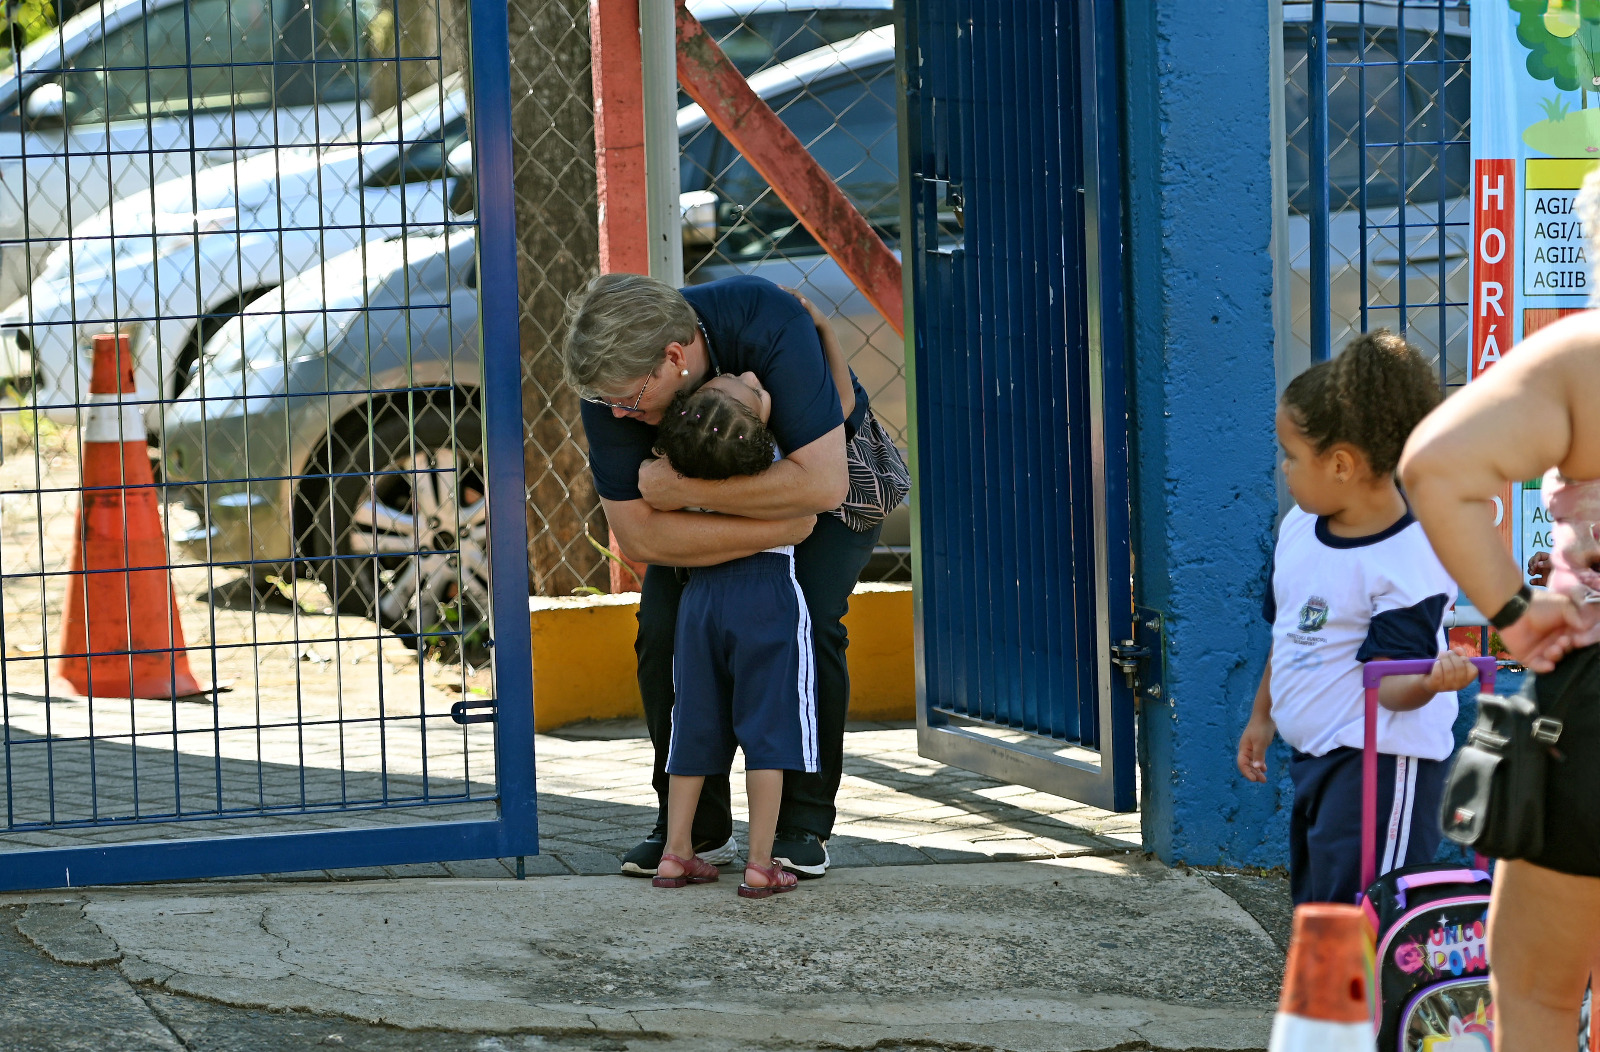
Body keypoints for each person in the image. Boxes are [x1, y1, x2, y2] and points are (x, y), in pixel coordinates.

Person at [562, 273, 884, 880]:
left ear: (674, 358)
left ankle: (801, 823)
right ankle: (693, 831)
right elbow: (640, 536)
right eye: (610, 404)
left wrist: (677, 488)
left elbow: (821, 483)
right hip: (769, 515)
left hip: (828, 483)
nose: (620, 415)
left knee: (805, 624)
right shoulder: (611, 382)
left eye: (631, 402)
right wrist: (777, 530)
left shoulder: (762, 320)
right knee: (665, 630)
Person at [1400, 187, 1600, 1046]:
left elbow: (1438, 466)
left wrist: (1515, 614)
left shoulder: (1582, 359)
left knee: (1541, 996)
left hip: (1592, 702)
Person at [1237, 330, 1478, 906]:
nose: (1285, 469)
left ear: (1341, 464)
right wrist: (1262, 716)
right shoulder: (1300, 526)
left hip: (1381, 766)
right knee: (1321, 910)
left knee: (1367, 914)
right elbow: (1289, 631)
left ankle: (1356, 1000)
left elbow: (1392, 685)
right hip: (1319, 758)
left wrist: (1430, 681)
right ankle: (1322, 999)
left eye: (1292, 456)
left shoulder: (1409, 561)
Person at [647, 373, 815, 898]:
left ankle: (677, 852)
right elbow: (842, 403)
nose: (749, 375)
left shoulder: (686, 460)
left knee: (692, 721)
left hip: (699, 598)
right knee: (771, 727)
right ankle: (761, 862)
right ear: (756, 429)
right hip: (766, 595)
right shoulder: (778, 462)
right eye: (749, 392)